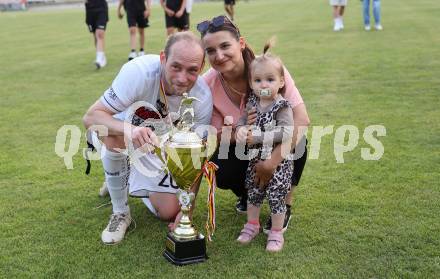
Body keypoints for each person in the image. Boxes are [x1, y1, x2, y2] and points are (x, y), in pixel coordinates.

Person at [83, 31, 212, 245]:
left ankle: (121, 175)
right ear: (163, 58)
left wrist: (190, 205)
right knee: (113, 137)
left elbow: (196, 158)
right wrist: (130, 130)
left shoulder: (202, 97)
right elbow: (90, 117)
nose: (182, 78)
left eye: (192, 70)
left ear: (202, 67)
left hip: (156, 145)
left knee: (169, 211)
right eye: (176, 66)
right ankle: (120, 212)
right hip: (121, 132)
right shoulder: (139, 72)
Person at [197, 15, 310, 234]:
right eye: (211, 51)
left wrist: (271, 163)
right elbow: (214, 134)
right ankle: (248, 194)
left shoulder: (268, 68)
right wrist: (237, 132)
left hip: (276, 139)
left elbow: (302, 119)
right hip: (244, 144)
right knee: (221, 168)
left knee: (300, 142)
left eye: (225, 46)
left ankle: (285, 204)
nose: (219, 56)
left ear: (240, 43)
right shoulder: (207, 84)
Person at [235, 41, 294, 252]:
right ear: (251, 83)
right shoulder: (252, 103)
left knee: (276, 195)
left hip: (278, 163)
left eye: (270, 79)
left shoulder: (282, 105)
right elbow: (242, 122)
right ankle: (252, 225)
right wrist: (241, 130)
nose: (264, 85)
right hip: (254, 160)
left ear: (280, 82)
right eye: (258, 80)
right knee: (254, 192)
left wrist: (258, 136)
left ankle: (276, 232)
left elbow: (287, 132)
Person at [85, 0, 108, 69]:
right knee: (96, 36)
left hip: (101, 7)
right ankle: (102, 57)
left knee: (100, 34)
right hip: (90, 8)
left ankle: (99, 59)